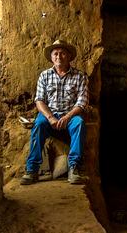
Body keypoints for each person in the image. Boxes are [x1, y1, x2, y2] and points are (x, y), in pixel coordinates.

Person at [20, 40, 88, 185]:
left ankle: (73, 167)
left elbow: (82, 102)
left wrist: (68, 116)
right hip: (50, 115)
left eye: (62, 53)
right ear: (51, 57)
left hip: (71, 115)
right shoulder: (44, 76)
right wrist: (50, 117)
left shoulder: (80, 76)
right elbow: (39, 100)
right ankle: (32, 170)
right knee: (38, 125)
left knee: (80, 124)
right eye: (55, 54)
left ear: (69, 56)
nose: (59, 56)